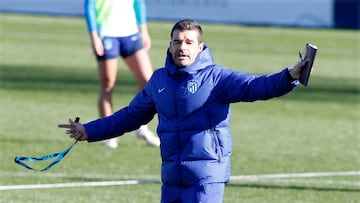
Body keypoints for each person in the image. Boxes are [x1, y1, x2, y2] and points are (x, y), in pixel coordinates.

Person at [59, 19, 309, 202]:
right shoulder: (159, 80)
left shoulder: (216, 78)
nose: (182, 47)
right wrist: (88, 131)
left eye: (189, 42)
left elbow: (255, 86)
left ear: (200, 47)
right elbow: (130, 116)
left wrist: (288, 76)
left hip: (206, 178)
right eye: (177, 41)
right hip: (172, 178)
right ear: (169, 46)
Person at [84, 0, 160, 148]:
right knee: (108, 84)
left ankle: (140, 126)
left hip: (130, 33)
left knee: (148, 81)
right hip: (106, 33)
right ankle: (107, 133)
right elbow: (90, 5)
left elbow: (139, 3)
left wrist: (144, 30)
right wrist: (94, 36)